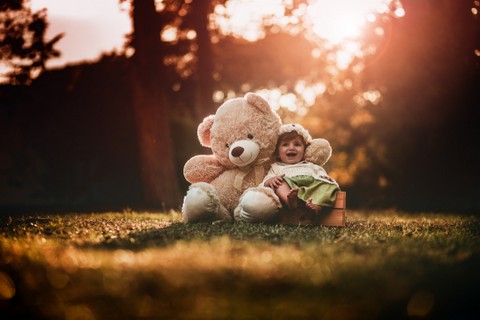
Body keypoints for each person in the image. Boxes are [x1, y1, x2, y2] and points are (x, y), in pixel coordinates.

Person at [262, 124, 340, 214]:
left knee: (330, 186)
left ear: (304, 151)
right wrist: (269, 181)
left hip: (311, 190)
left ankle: (317, 207)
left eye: (297, 144)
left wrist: (327, 179)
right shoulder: (276, 167)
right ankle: (291, 202)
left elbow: (321, 176)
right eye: (285, 144)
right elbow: (264, 185)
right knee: (279, 183)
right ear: (277, 153)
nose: (291, 147)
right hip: (290, 189)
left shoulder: (311, 165)